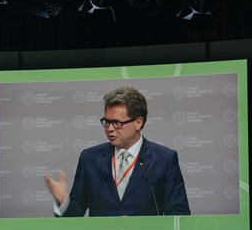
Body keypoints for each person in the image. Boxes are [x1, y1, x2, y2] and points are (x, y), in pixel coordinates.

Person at [44, 86, 190, 217]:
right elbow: (75, 216)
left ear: (138, 123)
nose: (110, 129)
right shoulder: (89, 158)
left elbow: (179, 214)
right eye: (106, 122)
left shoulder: (164, 159)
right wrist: (63, 200)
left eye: (117, 123)